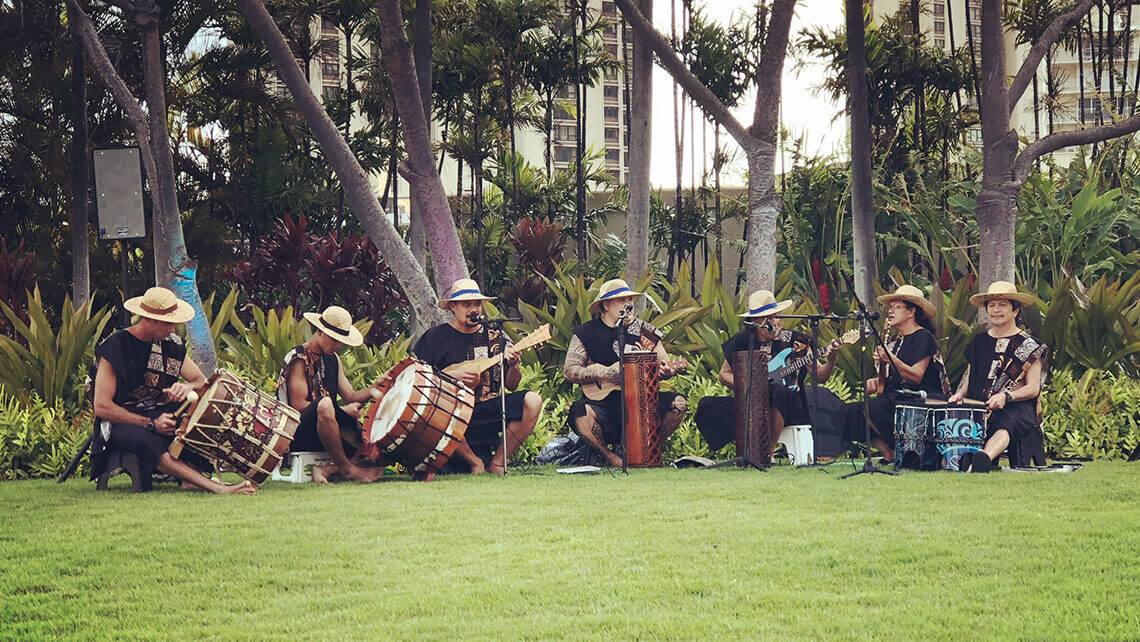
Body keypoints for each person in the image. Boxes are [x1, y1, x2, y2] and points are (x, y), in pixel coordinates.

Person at [90, 287, 255, 494]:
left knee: (198, 409)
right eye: (169, 323)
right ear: (150, 320)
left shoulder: (171, 345)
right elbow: (102, 407)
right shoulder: (117, 346)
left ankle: (192, 477)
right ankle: (217, 487)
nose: (173, 329)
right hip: (120, 422)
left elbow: (200, 380)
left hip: (156, 412)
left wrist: (185, 387)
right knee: (146, 438)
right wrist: (150, 423)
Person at [412, 279, 543, 474]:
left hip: (486, 407)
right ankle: (475, 462)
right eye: (467, 304)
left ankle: (498, 463)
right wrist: (450, 374)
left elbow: (512, 386)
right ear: (453, 307)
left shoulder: (495, 338)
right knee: (438, 410)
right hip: (450, 411)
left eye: (477, 304)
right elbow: (416, 377)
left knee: (532, 401)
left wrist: (514, 365)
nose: (473, 309)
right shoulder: (435, 337)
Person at [695, 289, 841, 459]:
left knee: (778, 392)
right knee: (708, 406)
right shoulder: (742, 340)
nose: (774, 322)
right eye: (767, 318)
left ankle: (766, 453)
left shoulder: (797, 341)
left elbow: (820, 377)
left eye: (776, 316)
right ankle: (748, 446)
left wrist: (831, 360)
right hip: (751, 403)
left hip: (789, 405)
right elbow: (724, 374)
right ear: (754, 321)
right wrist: (749, 385)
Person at [563, 279, 687, 467]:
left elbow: (664, 364)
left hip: (641, 402)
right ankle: (611, 457)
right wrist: (604, 374)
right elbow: (569, 371)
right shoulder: (586, 332)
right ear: (606, 305)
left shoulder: (645, 331)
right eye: (621, 300)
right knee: (579, 412)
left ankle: (648, 452)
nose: (628, 304)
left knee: (678, 404)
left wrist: (668, 371)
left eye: (629, 299)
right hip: (603, 404)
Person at [842, 284, 951, 466]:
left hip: (923, 396)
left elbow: (916, 376)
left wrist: (890, 358)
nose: (890, 311)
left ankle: (906, 451)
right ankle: (889, 453)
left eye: (896, 307)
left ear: (911, 312)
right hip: (900, 395)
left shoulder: (923, 337)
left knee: (875, 408)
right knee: (853, 411)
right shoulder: (895, 340)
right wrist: (877, 381)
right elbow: (894, 377)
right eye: (890, 307)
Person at [949, 281, 1048, 473]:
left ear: (1015, 311)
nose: (996, 310)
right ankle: (960, 460)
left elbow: (1033, 388)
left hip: (1016, 407)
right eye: (992, 305)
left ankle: (984, 459)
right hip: (980, 406)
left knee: (1006, 422)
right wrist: (959, 394)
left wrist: (1006, 397)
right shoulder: (979, 341)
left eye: (1002, 305)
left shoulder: (1031, 346)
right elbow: (970, 375)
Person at [278, 305, 383, 483]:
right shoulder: (298, 358)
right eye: (334, 339)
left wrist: (376, 387)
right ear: (320, 331)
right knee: (325, 404)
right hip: (298, 432)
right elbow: (297, 406)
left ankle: (325, 470)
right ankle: (347, 469)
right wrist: (341, 411)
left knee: (376, 441)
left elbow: (351, 396)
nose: (338, 345)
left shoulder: (333, 359)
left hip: (328, 431)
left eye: (341, 341)